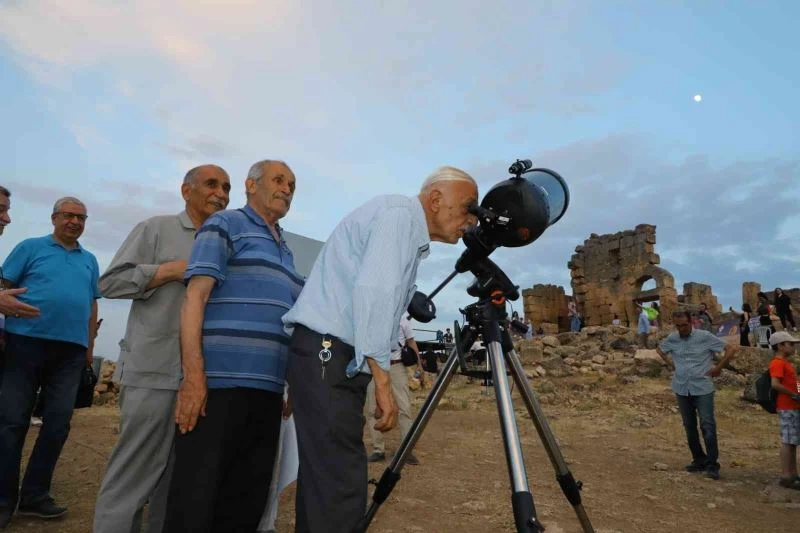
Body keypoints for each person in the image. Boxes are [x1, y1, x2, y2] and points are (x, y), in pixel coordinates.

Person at [281, 165, 478, 533]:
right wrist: (383, 381)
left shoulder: (404, 227)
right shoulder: (400, 217)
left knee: (326, 476)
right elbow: (374, 293)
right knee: (339, 480)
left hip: (329, 354)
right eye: (468, 207)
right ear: (436, 200)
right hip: (329, 351)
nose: (472, 220)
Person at [164, 160, 303, 533]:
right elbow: (195, 298)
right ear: (251, 185)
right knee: (197, 498)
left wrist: (289, 380)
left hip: (268, 392)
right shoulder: (225, 224)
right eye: (278, 180)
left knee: (246, 499)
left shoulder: (285, 249)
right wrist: (194, 378)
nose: (287, 188)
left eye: (292, 184)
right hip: (219, 387)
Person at [92, 165, 231, 533]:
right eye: (212, 184)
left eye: (227, 187)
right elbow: (110, 283)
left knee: (174, 482)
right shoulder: (156, 229)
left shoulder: (227, 242)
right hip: (153, 372)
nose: (221, 193)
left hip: (200, 380)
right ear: (186, 191)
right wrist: (170, 270)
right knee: (133, 477)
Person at [0, 197, 100, 528]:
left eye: (81, 217)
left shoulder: (90, 261)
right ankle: (3, 500)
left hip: (71, 352)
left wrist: (89, 346)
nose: (75, 221)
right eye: (69, 215)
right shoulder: (30, 247)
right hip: (24, 343)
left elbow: (92, 303)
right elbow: (4, 287)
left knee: (57, 424)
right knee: (12, 422)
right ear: (54, 217)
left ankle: (34, 497)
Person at [656, 310, 737, 480]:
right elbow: (660, 350)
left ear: (691, 322)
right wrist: (672, 364)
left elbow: (730, 349)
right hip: (681, 387)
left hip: (702, 388)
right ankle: (699, 459)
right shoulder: (673, 338)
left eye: (684, 325)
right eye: (678, 326)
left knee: (707, 425)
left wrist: (718, 368)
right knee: (689, 426)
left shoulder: (704, 336)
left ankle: (712, 464)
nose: (681, 329)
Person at [366, 315, 421, 465]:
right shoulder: (372, 316)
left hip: (397, 366)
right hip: (375, 366)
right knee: (372, 409)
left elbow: (411, 341)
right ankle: (378, 450)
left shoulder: (403, 319)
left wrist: (419, 365)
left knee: (405, 408)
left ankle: (406, 450)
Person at [767, 331, 800, 489]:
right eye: (791, 344)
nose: (794, 347)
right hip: (787, 406)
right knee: (788, 441)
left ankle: (793, 473)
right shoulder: (778, 363)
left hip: (793, 406)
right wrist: (794, 394)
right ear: (780, 346)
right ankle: (787, 475)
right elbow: (775, 384)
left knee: (792, 441)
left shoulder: (786, 363)